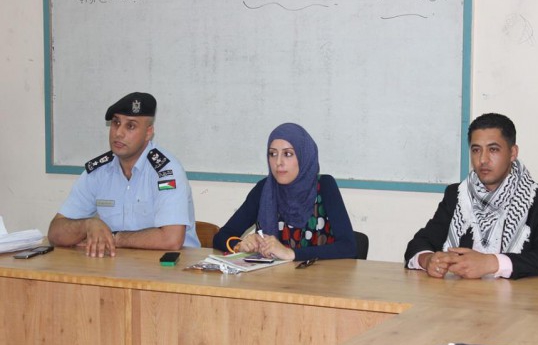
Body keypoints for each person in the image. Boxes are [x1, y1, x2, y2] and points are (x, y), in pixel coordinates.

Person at [404, 113, 538, 279]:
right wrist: (428, 260)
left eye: (493, 149)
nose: (483, 160)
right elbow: (419, 243)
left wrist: (491, 263)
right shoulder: (458, 195)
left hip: (516, 295)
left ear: (513, 153)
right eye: (476, 150)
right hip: (460, 293)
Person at [47, 92, 200, 257]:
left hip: (169, 266)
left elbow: (171, 240)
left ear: (148, 133)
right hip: (116, 265)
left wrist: (114, 238)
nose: (118, 133)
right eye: (116, 123)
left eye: (130, 126)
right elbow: (55, 233)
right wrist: (87, 225)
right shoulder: (99, 171)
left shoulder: (165, 171)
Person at [213, 123, 357, 261]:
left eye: (287, 154)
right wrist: (240, 245)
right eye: (272, 154)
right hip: (273, 277)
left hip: (320, 276)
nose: (278, 162)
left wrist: (290, 253)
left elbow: (348, 247)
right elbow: (221, 236)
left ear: (304, 155)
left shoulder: (324, 186)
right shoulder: (264, 189)